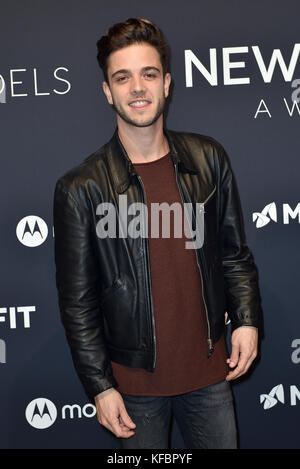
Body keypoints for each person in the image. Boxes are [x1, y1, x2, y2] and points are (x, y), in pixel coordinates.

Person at [53, 18, 262, 449]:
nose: (137, 88)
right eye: (122, 78)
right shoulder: (81, 188)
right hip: (133, 391)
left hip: (210, 377)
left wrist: (245, 319)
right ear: (107, 91)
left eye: (148, 74)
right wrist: (100, 386)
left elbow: (233, 254)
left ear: (166, 83)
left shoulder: (209, 159)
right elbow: (78, 300)